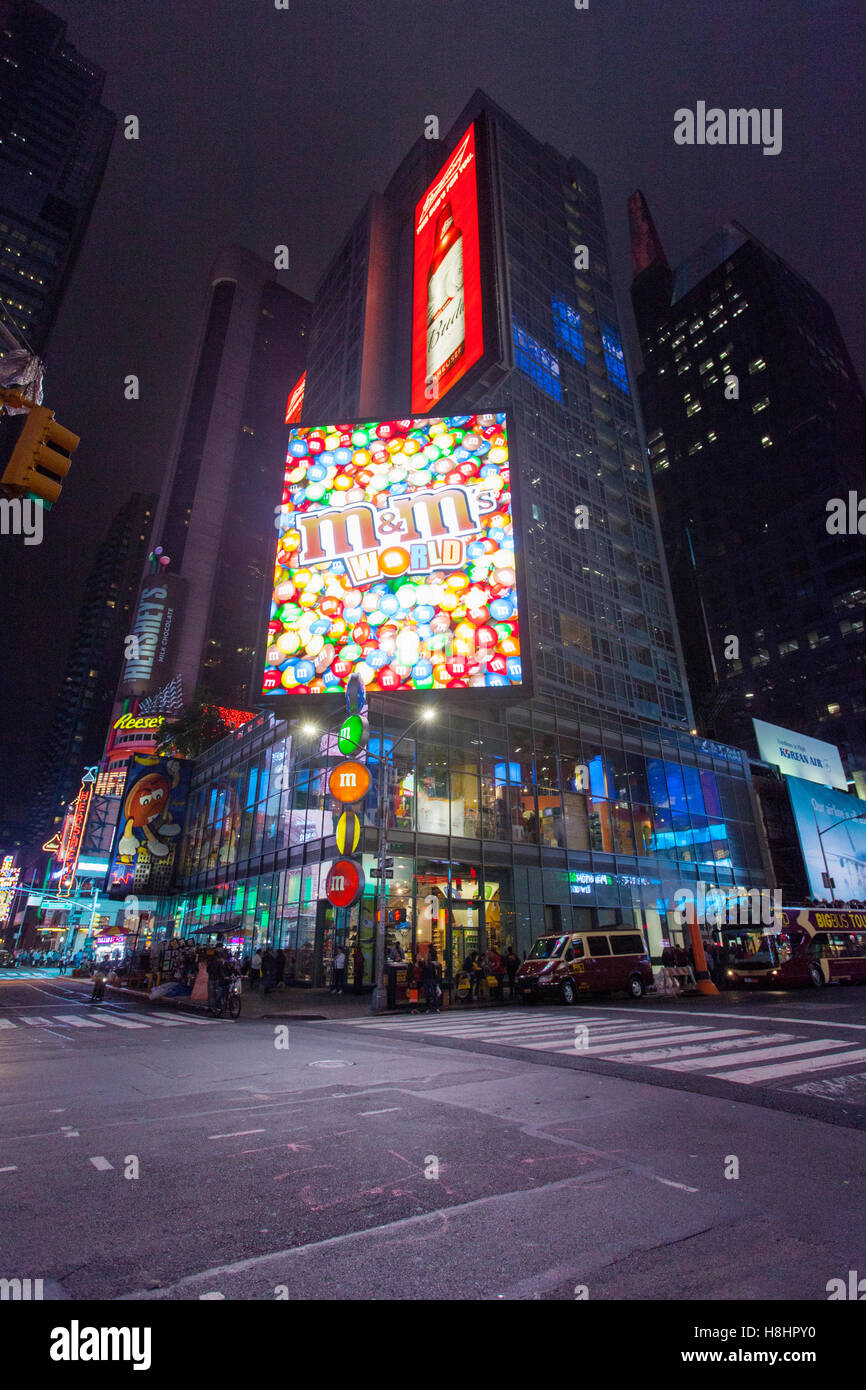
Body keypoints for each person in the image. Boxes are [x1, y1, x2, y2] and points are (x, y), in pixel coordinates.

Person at [422, 948, 441, 1013]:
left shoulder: (431, 965)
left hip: (431, 981)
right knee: (428, 994)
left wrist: (436, 981)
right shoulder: (423, 964)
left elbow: (434, 974)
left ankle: (436, 1007)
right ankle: (429, 1007)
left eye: (426, 956)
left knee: (433, 994)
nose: (425, 957)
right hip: (426, 981)